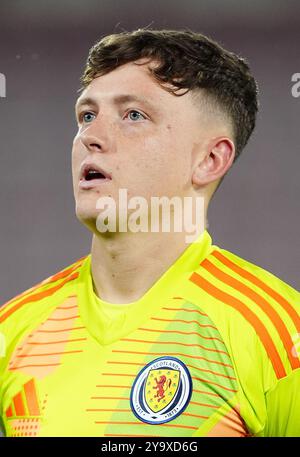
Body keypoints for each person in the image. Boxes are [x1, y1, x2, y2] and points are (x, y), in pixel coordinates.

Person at [0, 28, 299, 438]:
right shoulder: (13, 330)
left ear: (210, 159)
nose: (90, 136)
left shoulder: (279, 333)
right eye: (87, 115)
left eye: (133, 115)